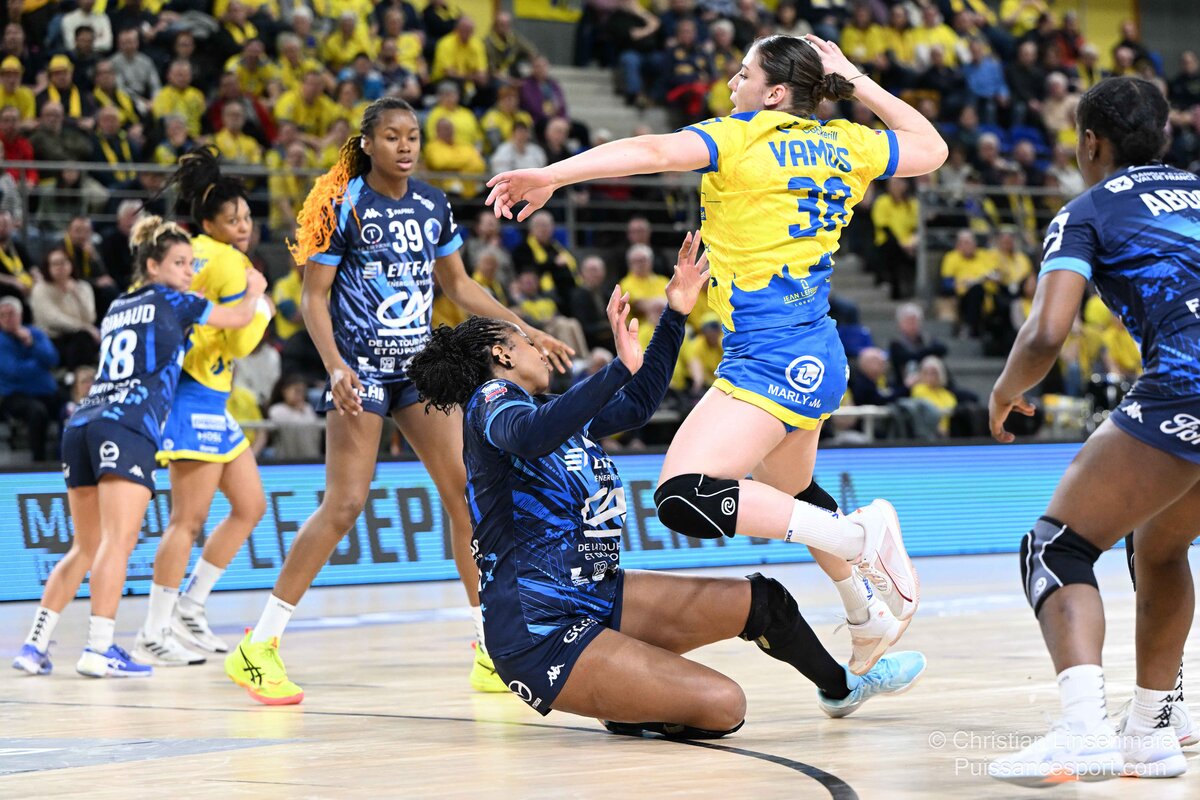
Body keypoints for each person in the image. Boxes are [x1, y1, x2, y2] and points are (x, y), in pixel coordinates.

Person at [487, 33, 948, 672]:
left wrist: (553, 175)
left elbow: (651, 151)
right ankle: (864, 613)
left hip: (775, 356)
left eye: (744, 73)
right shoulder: (848, 143)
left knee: (684, 495)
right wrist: (855, 78)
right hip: (813, 347)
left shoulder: (740, 137)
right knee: (792, 493)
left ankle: (862, 535)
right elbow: (932, 147)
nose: (733, 84)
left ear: (775, 93)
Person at [407, 232, 927, 731]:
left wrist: (675, 314)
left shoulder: (550, 411)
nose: (540, 351)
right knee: (725, 706)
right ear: (501, 354)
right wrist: (615, 369)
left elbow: (637, 404)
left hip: (599, 594)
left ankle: (842, 688)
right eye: (527, 342)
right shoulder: (492, 405)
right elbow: (529, 436)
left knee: (764, 601)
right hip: (540, 632)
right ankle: (626, 703)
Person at [222, 97, 574, 705]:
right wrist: (334, 366)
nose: (405, 145)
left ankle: (489, 647)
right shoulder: (342, 203)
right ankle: (259, 645)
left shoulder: (432, 203)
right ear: (368, 144)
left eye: (412, 135)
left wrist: (524, 329)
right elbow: (312, 298)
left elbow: (458, 285)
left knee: (467, 495)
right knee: (344, 504)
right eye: (392, 136)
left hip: (420, 372)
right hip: (359, 372)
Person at [987, 77, 1200, 786]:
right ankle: (1152, 734)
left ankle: (1083, 734)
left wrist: (1006, 389)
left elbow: (1048, 331)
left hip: (1188, 383)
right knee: (1159, 549)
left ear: (1089, 142)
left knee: (1056, 548)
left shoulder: (1088, 211)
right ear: (1163, 137)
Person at [11, 218, 266, 678]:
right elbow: (238, 320)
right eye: (179, 263)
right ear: (152, 265)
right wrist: (254, 291)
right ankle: (99, 648)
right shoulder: (177, 301)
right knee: (118, 542)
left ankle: (34, 645)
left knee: (85, 546)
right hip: (127, 426)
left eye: (191, 263)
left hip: (83, 422)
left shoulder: (118, 304)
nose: (189, 271)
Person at [130, 148, 276, 667]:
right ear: (210, 223)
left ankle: (190, 607)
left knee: (250, 504)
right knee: (186, 521)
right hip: (193, 395)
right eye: (233, 219)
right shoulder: (233, 263)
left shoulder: (187, 252)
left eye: (247, 217)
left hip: (201, 395)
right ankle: (153, 629)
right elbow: (238, 344)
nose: (244, 227)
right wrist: (262, 309)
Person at [0, 297, 60, 462]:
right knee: (37, 412)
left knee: (70, 407)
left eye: (10, 314)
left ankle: (66, 456)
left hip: (46, 392)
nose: (6, 318)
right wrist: (40, 366)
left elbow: (53, 359)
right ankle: (38, 462)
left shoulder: (35, 333)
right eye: (2, 315)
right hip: (14, 396)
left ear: (20, 315)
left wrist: (31, 343)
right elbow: (13, 371)